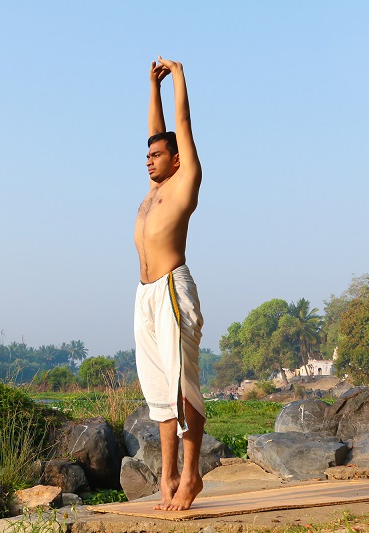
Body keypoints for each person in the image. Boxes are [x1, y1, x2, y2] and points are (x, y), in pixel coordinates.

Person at [133, 56, 205, 511]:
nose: (148, 160)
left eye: (157, 156)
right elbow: (158, 132)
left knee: (183, 388)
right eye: (146, 156)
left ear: (176, 160)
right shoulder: (152, 189)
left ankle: (192, 477)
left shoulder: (184, 182)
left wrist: (178, 77)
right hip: (144, 295)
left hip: (172, 290)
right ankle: (168, 476)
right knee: (160, 395)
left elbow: (181, 125)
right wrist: (152, 88)